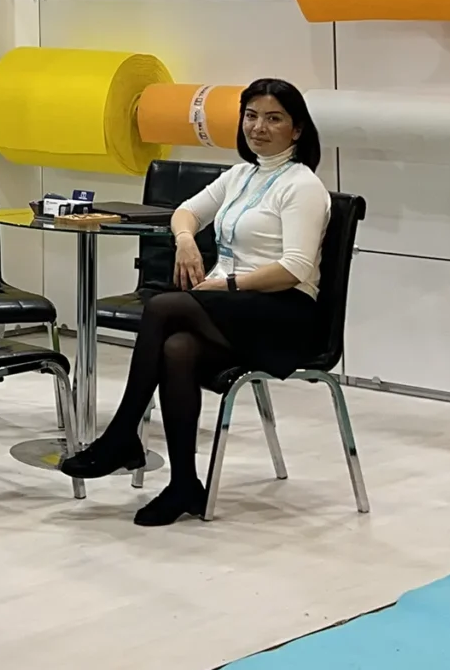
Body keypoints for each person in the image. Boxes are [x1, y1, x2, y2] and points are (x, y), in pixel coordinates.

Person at [57, 78, 331, 525]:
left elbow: (295, 268)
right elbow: (186, 211)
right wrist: (185, 241)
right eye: (251, 116)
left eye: (274, 118)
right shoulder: (242, 175)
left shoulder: (302, 186)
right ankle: (184, 484)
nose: (258, 127)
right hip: (236, 308)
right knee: (176, 348)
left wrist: (227, 285)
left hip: (285, 313)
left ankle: (122, 435)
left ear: (297, 129)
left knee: (164, 307)